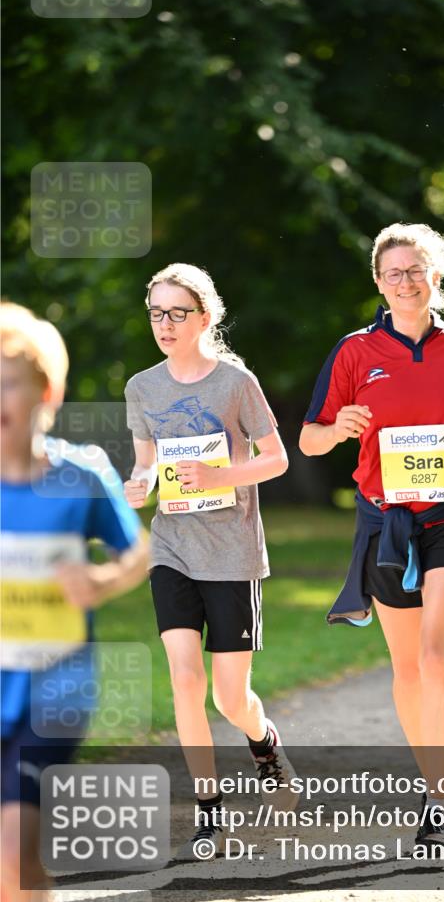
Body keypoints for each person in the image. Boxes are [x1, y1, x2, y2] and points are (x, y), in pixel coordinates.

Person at [299, 223, 444, 855]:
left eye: (415, 269)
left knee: (436, 659)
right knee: (404, 670)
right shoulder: (355, 352)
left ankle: (440, 800)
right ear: (378, 282)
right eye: (392, 273)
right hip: (386, 523)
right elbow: (309, 440)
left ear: (436, 275)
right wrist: (339, 425)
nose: (405, 281)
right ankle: (429, 781)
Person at [123, 263, 292, 860]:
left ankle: (263, 740)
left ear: (205, 317)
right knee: (185, 681)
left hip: (232, 552)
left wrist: (223, 474)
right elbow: (147, 462)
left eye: (176, 313)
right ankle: (209, 810)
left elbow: (276, 459)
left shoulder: (235, 383)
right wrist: (140, 483)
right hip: (172, 547)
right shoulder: (142, 388)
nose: (164, 325)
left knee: (229, 697)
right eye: (155, 313)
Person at [0, 302, 149, 902]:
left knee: (14, 847)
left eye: (7, 381)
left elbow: (137, 553)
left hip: (53, 688)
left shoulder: (81, 474)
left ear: (47, 390)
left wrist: (102, 579)